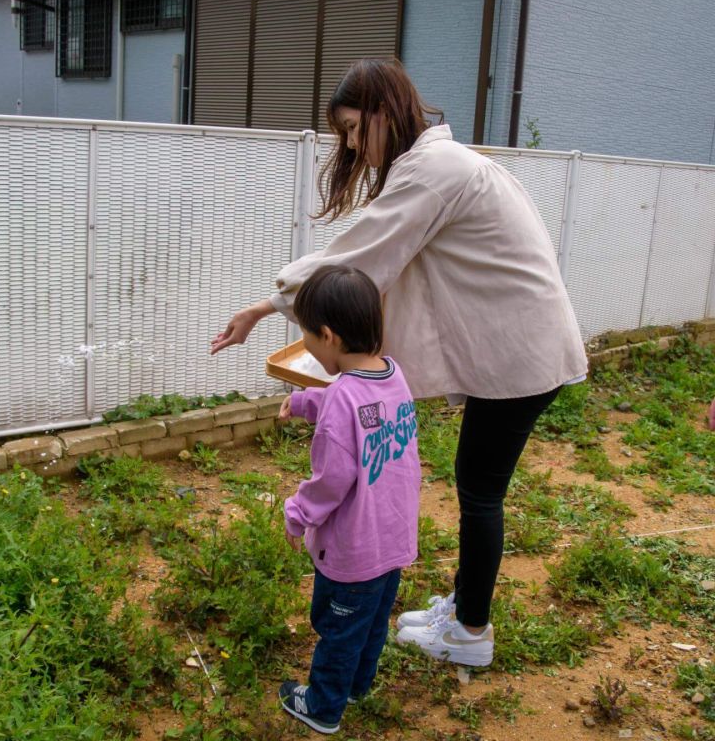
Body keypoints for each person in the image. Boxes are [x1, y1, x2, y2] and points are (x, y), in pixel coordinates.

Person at [211, 58, 588, 668]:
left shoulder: (435, 170)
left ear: (385, 112)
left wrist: (263, 306)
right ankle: (466, 606)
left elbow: (357, 260)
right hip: (523, 346)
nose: (355, 144)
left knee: (481, 492)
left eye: (357, 128)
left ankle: (471, 633)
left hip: (524, 354)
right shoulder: (438, 164)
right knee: (477, 486)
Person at [276, 263, 420, 734]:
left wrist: (297, 514)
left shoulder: (341, 396)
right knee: (373, 622)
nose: (312, 352)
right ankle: (357, 685)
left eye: (309, 341)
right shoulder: (393, 374)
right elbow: (364, 413)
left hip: (354, 547)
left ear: (328, 335)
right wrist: (304, 402)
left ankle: (322, 706)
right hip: (392, 537)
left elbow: (332, 478)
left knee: (337, 627)